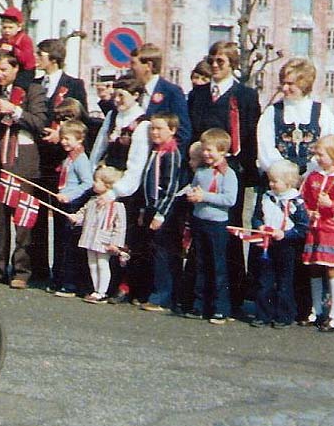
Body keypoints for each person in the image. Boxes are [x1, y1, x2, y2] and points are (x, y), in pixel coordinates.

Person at [187, 41, 260, 312]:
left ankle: (230, 297)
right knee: (200, 230)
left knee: (228, 232)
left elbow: (249, 134)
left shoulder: (244, 95)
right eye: (212, 60)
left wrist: (247, 172)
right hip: (202, 168)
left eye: (221, 62)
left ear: (232, 65)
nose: (215, 66)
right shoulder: (199, 93)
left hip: (231, 171)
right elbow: (192, 129)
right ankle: (197, 296)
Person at [0, 51, 48, 288]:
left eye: (4, 70)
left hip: (23, 159)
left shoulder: (32, 89)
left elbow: (39, 122)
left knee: (22, 217)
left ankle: (22, 271)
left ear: (16, 69)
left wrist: (14, 110)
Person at [88, 77, 151, 303]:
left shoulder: (142, 124)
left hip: (125, 191)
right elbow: (98, 149)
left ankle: (124, 285)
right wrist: (93, 174)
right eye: (115, 95)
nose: (117, 100)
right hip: (105, 183)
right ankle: (103, 283)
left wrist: (115, 192)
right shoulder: (113, 117)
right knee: (101, 236)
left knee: (122, 238)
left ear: (135, 96)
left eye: (122, 95)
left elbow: (136, 167)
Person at [33, 38, 88, 288]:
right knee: (38, 216)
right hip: (39, 158)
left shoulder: (74, 84)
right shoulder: (35, 83)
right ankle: (39, 269)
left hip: (63, 158)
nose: (37, 58)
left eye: (41, 54)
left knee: (62, 216)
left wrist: (62, 134)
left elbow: (81, 120)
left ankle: (62, 272)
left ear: (53, 58)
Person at [185, 128, 238, 325]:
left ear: (223, 151)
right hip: (200, 220)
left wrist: (204, 196)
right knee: (200, 264)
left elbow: (229, 199)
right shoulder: (201, 172)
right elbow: (194, 188)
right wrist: (191, 195)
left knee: (218, 267)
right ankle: (200, 305)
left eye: (210, 151)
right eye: (204, 150)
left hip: (217, 224)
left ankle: (220, 308)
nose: (206, 154)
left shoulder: (228, 174)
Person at [250, 159, 309, 329]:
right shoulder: (266, 197)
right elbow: (256, 216)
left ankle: (284, 315)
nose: (271, 184)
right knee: (265, 280)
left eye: (275, 181)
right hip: (267, 243)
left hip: (287, 246)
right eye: (270, 180)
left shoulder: (296, 201)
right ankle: (263, 314)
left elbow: (303, 228)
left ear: (289, 182)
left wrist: (285, 234)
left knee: (285, 281)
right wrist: (259, 226)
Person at [257, 58, 334, 177]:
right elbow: (265, 149)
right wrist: (286, 176)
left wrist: (308, 175)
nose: (284, 88)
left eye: (290, 84)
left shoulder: (323, 112)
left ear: (304, 84)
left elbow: (329, 147)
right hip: (279, 182)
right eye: (283, 83)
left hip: (313, 180)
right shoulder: (272, 112)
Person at [138, 114, 184, 312]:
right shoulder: (156, 151)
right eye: (152, 129)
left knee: (163, 254)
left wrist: (161, 214)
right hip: (150, 207)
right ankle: (151, 291)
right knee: (152, 251)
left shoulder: (172, 153)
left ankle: (162, 296)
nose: (154, 132)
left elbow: (170, 186)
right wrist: (143, 209)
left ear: (172, 130)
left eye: (159, 129)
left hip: (163, 211)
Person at [300, 135, 334, 332]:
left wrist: (332, 205)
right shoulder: (313, 176)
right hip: (315, 228)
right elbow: (303, 198)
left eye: (321, 154)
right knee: (314, 268)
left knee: (332, 269)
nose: (317, 158)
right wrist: (308, 211)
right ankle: (316, 310)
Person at [69, 166, 128, 304]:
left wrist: (115, 243)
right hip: (90, 237)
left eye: (97, 181)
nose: (94, 183)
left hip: (104, 239)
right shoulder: (92, 201)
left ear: (107, 185)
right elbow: (82, 214)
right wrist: (76, 218)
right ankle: (96, 290)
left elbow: (120, 226)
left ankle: (102, 292)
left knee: (102, 263)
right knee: (92, 264)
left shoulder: (117, 205)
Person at [52, 119, 93, 297]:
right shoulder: (69, 158)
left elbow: (88, 183)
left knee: (71, 246)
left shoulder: (80, 160)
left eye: (67, 139)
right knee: (62, 243)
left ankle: (71, 284)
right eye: (62, 138)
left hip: (73, 204)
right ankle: (60, 279)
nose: (63, 142)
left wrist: (70, 195)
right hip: (63, 201)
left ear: (80, 139)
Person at [0, 7, 35, 126]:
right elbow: (0, 57)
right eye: (4, 27)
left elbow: (26, 59)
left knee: (18, 86)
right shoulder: (2, 40)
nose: (7, 31)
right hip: (9, 68)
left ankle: (12, 106)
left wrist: (14, 50)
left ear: (19, 27)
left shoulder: (24, 40)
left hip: (25, 69)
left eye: (10, 28)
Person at [129, 43, 191, 151]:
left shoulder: (171, 92)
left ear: (148, 65)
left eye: (134, 63)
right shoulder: (135, 91)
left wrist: (164, 156)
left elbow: (183, 133)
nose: (130, 67)